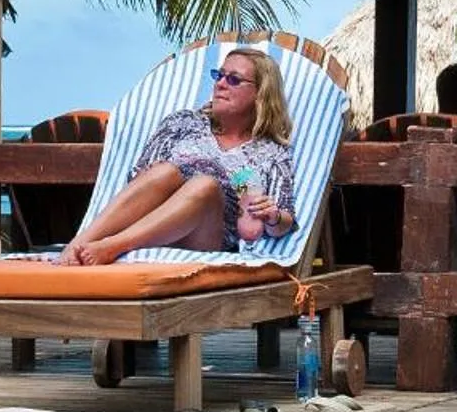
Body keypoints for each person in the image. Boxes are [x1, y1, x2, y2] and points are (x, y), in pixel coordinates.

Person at [62, 47, 298, 264]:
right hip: (151, 221)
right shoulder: (183, 122)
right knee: (166, 171)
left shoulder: (271, 153)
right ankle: (76, 246)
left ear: (260, 94)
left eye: (234, 79)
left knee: (205, 185)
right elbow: (139, 181)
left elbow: (284, 224)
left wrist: (273, 216)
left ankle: (113, 247)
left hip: (204, 238)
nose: (220, 84)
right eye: (219, 75)